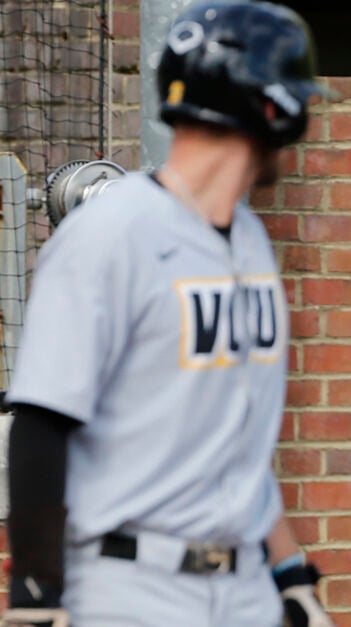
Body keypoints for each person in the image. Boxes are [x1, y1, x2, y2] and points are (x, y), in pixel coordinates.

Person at [3, 3, 334, 626]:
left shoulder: (250, 240)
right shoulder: (110, 232)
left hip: (245, 587)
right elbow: (42, 422)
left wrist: (294, 580)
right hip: (130, 587)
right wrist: (34, 601)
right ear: (269, 107)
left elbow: (235, 445)